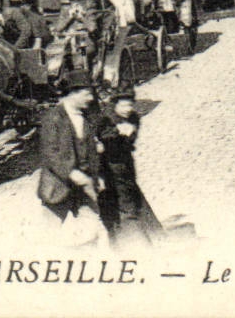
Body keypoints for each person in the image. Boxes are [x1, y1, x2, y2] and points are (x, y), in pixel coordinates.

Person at [38, 68, 103, 242]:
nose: (90, 98)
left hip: (85, 187)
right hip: (58, 186)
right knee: (47, 235)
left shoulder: (88, 116)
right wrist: (71, 172)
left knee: (91, 230)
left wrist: (97, 176)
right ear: (73, 94)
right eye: (86, 94)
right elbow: (50, 153)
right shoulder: (53, 118)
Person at [96, 89, 162, 246]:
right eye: (123, 105)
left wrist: (126, 135)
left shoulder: (133, 118)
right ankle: (131, 240)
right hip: (107, 168)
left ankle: (146, 237)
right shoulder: (106, 119)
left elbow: (131, 139)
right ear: (115, 105)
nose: (127, 109)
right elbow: (102, 140)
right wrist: (117, 134)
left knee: (131, 200)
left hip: (125, 165)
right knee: (120, 205)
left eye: (130, 105)